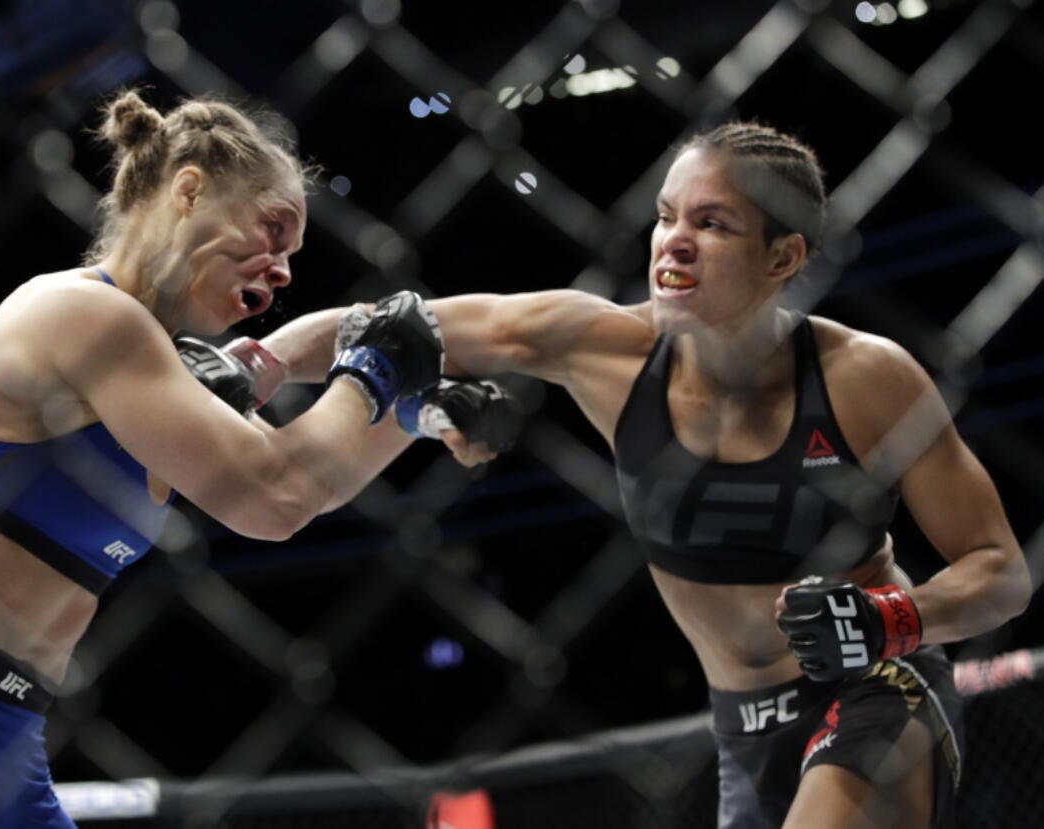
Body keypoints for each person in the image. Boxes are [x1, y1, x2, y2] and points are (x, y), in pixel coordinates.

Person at [264, 121, 1031, 828]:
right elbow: (387, 324)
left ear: (783, 257)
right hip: (743, 725)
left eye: (712, 223)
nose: (674, 242)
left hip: (877, 690)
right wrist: (254, 363)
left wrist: (890, 618)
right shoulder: (600, 347)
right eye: (668, 215)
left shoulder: (867, 379)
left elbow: (1000, 570)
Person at [0, 89, 514, 829]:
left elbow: (303, 475)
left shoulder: (160, 378)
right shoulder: (81, 314)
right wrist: (376, 368)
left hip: (12, 744)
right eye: (272, 230)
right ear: (188, 190)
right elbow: (274, 495)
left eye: (292, 256)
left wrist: (409, 410)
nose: (281, 270)